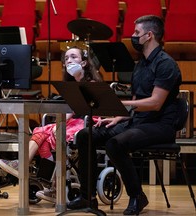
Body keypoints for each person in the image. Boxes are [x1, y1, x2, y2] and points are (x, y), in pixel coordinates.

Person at [67, 15, 182, 215]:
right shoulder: (141, 64)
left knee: (115, 144)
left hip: (161, 125)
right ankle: (88, 197)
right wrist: (120, 116)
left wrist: (122, 104)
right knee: (86, 135)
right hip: (137, 121)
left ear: (149, 35)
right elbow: (137, 99)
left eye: (136, 33)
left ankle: (137, 196)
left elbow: (155, 103)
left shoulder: (166, 64)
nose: (133, 36)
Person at [0, 46, 102, 203]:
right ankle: (52, 186)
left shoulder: (91, 84)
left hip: (87, 123)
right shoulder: (71, 85)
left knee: (46, 131)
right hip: (72, 122)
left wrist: (58, 124)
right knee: (43, 133)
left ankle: (22, 164)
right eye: (66, 59)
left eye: (73, 57)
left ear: (85, 63)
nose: (69, 61)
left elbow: (84, 110)